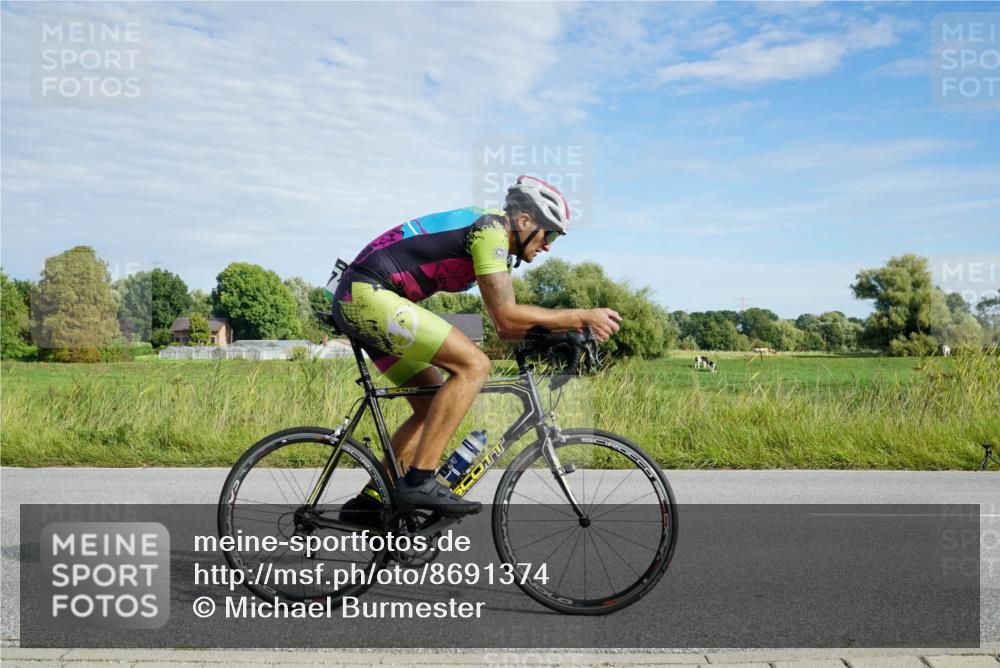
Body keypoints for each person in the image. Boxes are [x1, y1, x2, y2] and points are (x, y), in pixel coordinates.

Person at [331, 176, 621, 522]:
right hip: (367, 295)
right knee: (473, 365)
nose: (549, 246)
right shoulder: (490, 231)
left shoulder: (492, 239)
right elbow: (506, 318)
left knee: (430, 403)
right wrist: (579, 316)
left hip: (363, 299)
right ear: (525, 221)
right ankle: (420, 480)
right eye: (550, 234)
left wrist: (563, 335)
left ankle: (370, 502)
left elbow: (509, 328)